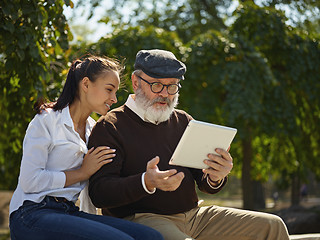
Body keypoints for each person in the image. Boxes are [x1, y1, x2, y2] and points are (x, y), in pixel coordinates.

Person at [87, 49, 290, 240]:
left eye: (172, 86)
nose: (165, 94)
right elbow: (100, 194)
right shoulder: (110, 126)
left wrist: (215, 176)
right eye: (156, 85)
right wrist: (146, 182)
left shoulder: (183, 120)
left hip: (195, 217)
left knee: (273, 225)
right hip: (143, 219)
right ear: (136, 82)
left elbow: (204, 182)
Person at [9, 55, 164, 240]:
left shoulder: (95, 129)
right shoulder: (47, 120)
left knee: (150, 236)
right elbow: (30, 181)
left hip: (69, 212)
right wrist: (82, 173)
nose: (114, 98)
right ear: (86, 84)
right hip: (31, 212)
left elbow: (92, 188)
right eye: (109, 90)